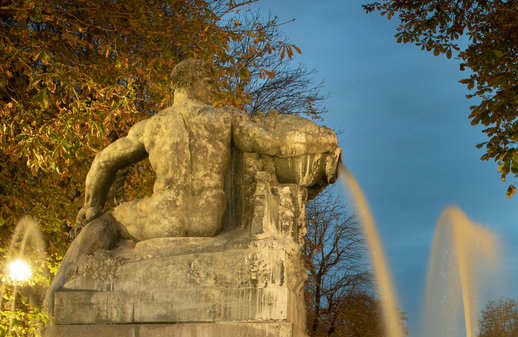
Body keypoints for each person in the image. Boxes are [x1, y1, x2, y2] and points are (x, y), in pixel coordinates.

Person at [46, 59, 339, 310]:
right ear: (188, 82)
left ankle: (58, 291)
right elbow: (275, 144)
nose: (213, 89)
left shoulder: (151, 127)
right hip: (208, 221)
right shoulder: (227, 119)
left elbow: (103, 162)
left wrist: (92, 206)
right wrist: (321, 140)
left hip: (161, 218)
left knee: (104, 222)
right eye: (209, 82)